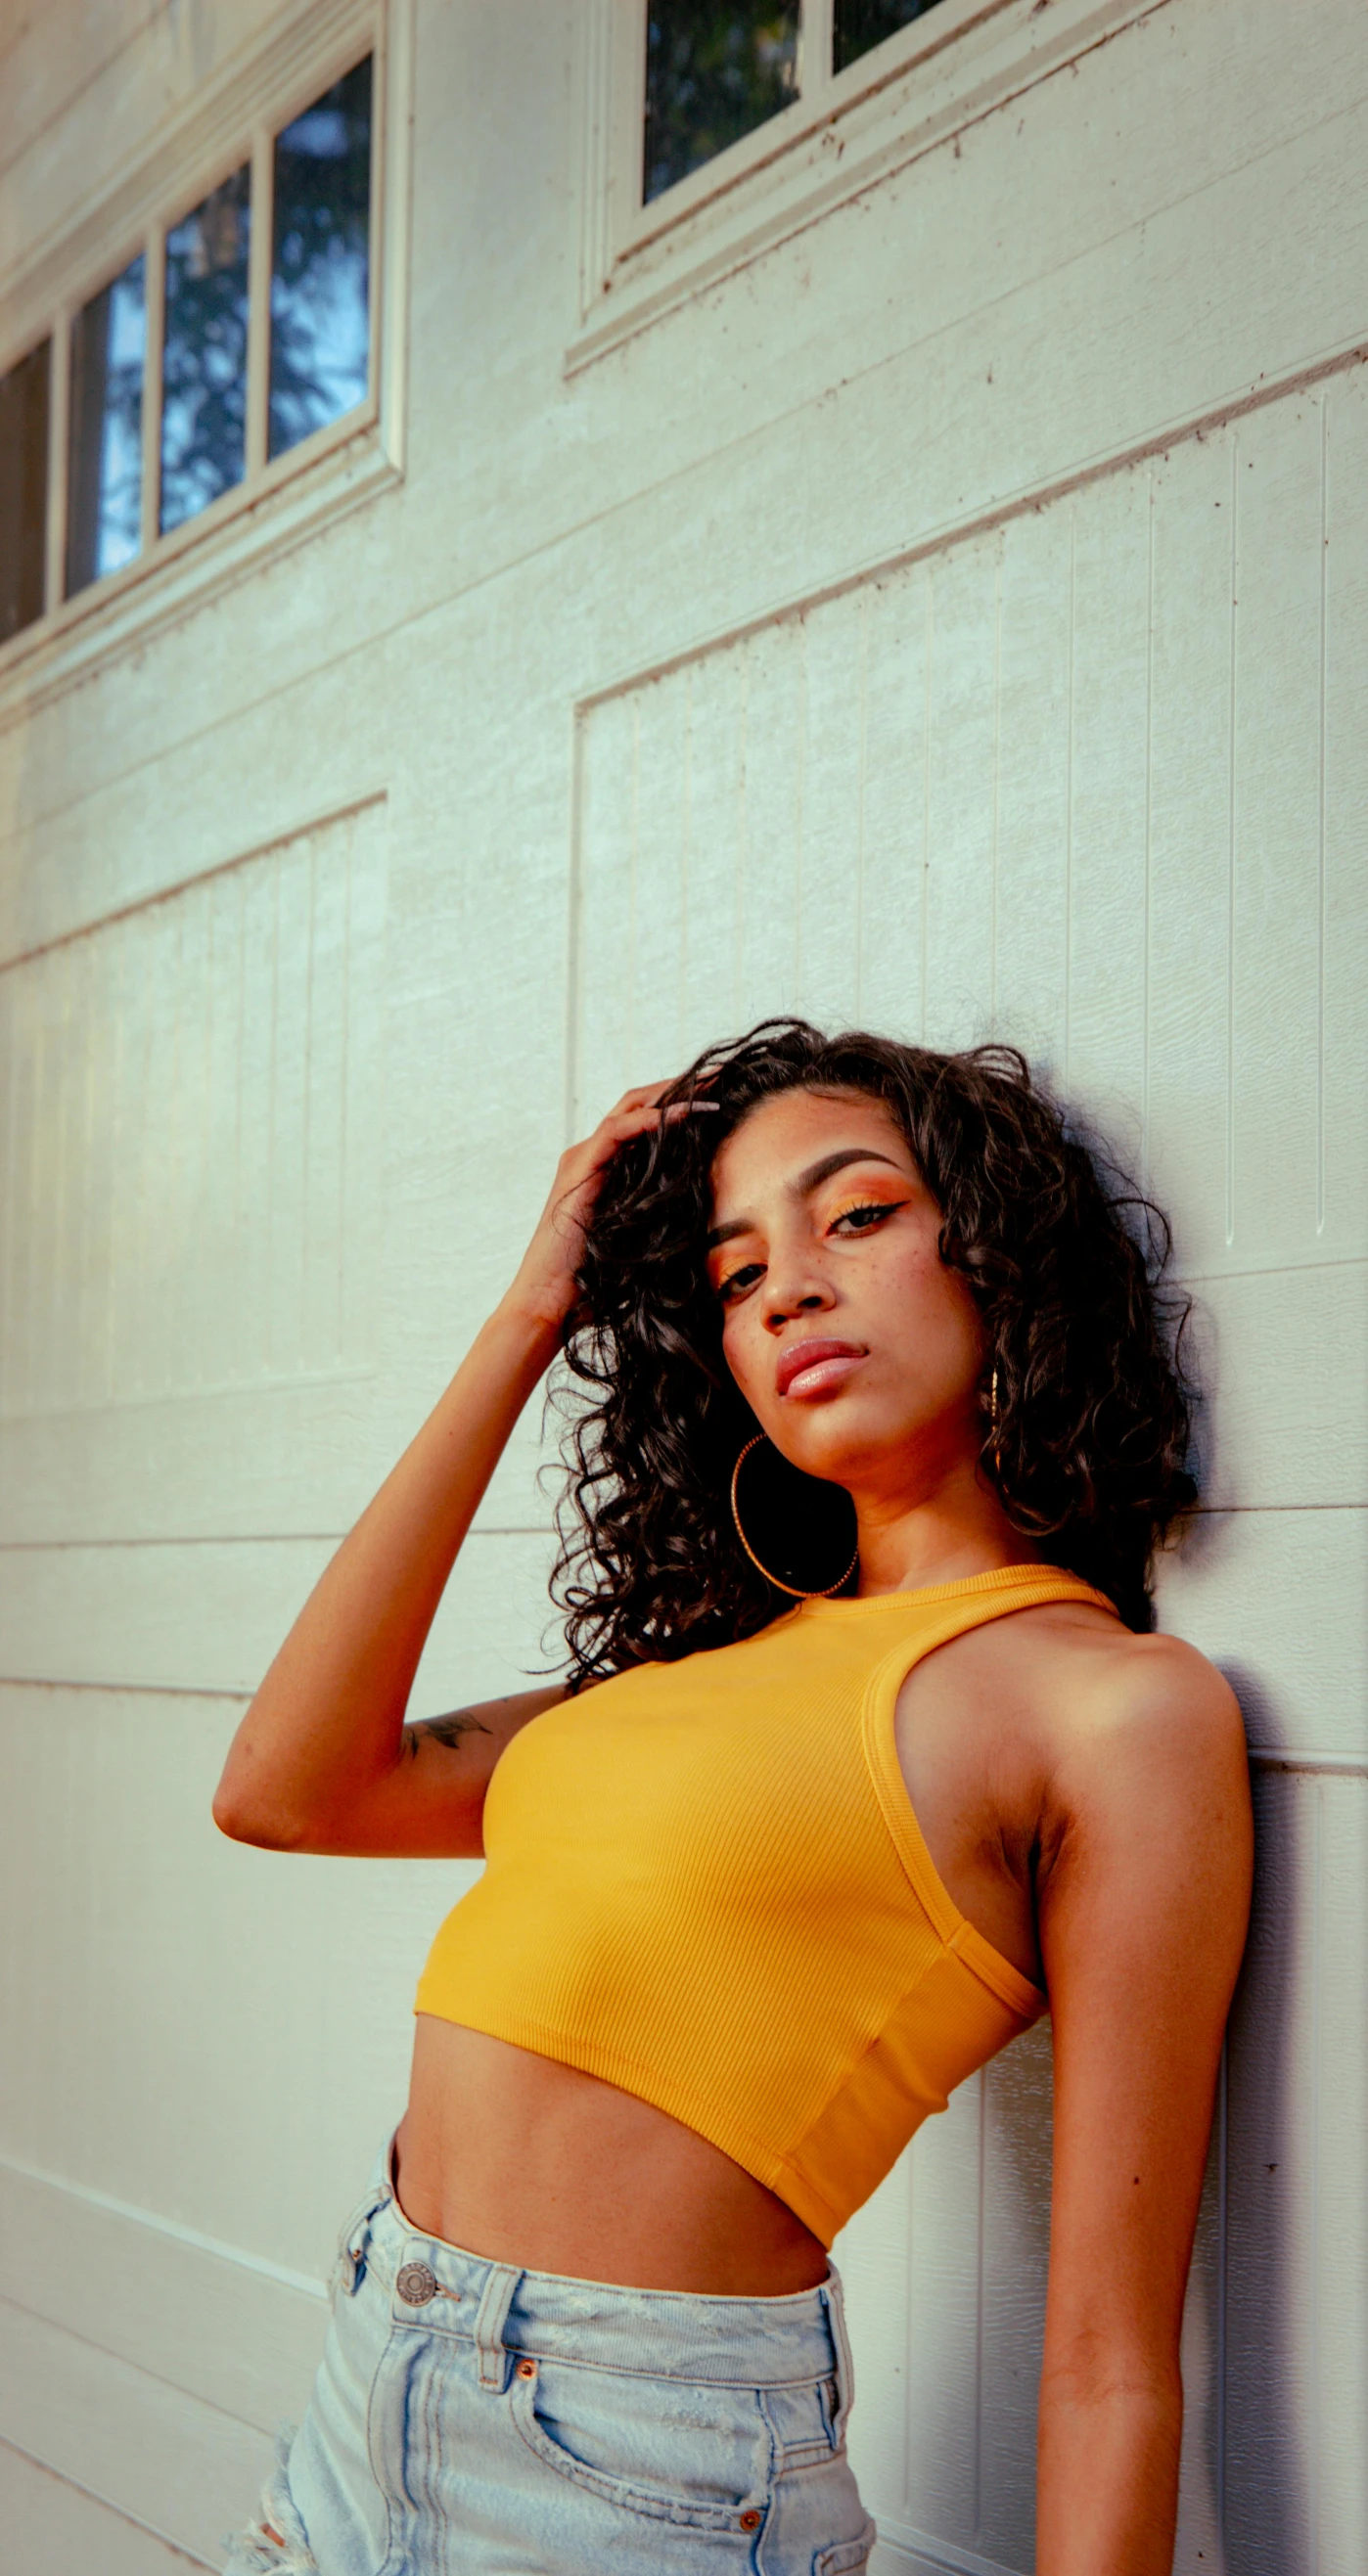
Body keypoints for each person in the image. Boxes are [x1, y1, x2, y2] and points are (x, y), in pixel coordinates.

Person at [216, 1018, 1253, 2576]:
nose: (788, 1287)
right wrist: (527, 1314)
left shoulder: (1106, 1707)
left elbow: (1109, 2357)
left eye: (854, 1216)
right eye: (732, 1272)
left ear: (998, 1250)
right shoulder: (697, 1670)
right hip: (370, 2368)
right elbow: (286, 1790)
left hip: (638, 2461)